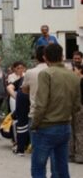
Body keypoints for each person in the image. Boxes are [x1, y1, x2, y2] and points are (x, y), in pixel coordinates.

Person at [31, 44, 81, 178]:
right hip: (65, 126)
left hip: (47, 126)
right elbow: (77, 105)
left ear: (45, 57)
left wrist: (34, 124)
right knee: (61, 166)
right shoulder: (74, 76)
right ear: (62, 56)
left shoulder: (46, 74)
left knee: (38, 166)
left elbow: (41, 104)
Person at [22, 46, 58, 176]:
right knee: (56, 154)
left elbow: (24, 89)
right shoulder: (61, 72)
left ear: (38, 57)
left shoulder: (30, 72)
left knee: (38, 156)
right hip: (57, 116)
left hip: (36, 114)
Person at [69, 64, 83, 164]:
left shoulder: (78, 81)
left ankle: (76, 154)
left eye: (74, 70)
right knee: (78, 131)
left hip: (78, 108)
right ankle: (78, 154)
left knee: (77, 131)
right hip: (77, 107)